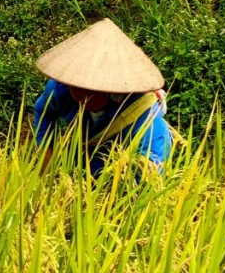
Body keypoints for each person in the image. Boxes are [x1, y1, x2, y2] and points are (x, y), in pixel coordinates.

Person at [32, 18, 172, 176]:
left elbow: (150, 171)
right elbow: (43, 111)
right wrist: (46, 153)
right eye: (77, 88)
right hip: (86, 149)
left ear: (111, 89)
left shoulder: (142, 111)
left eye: (92, 91)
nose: (83, 98)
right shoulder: (59, 89)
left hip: (125, 159)